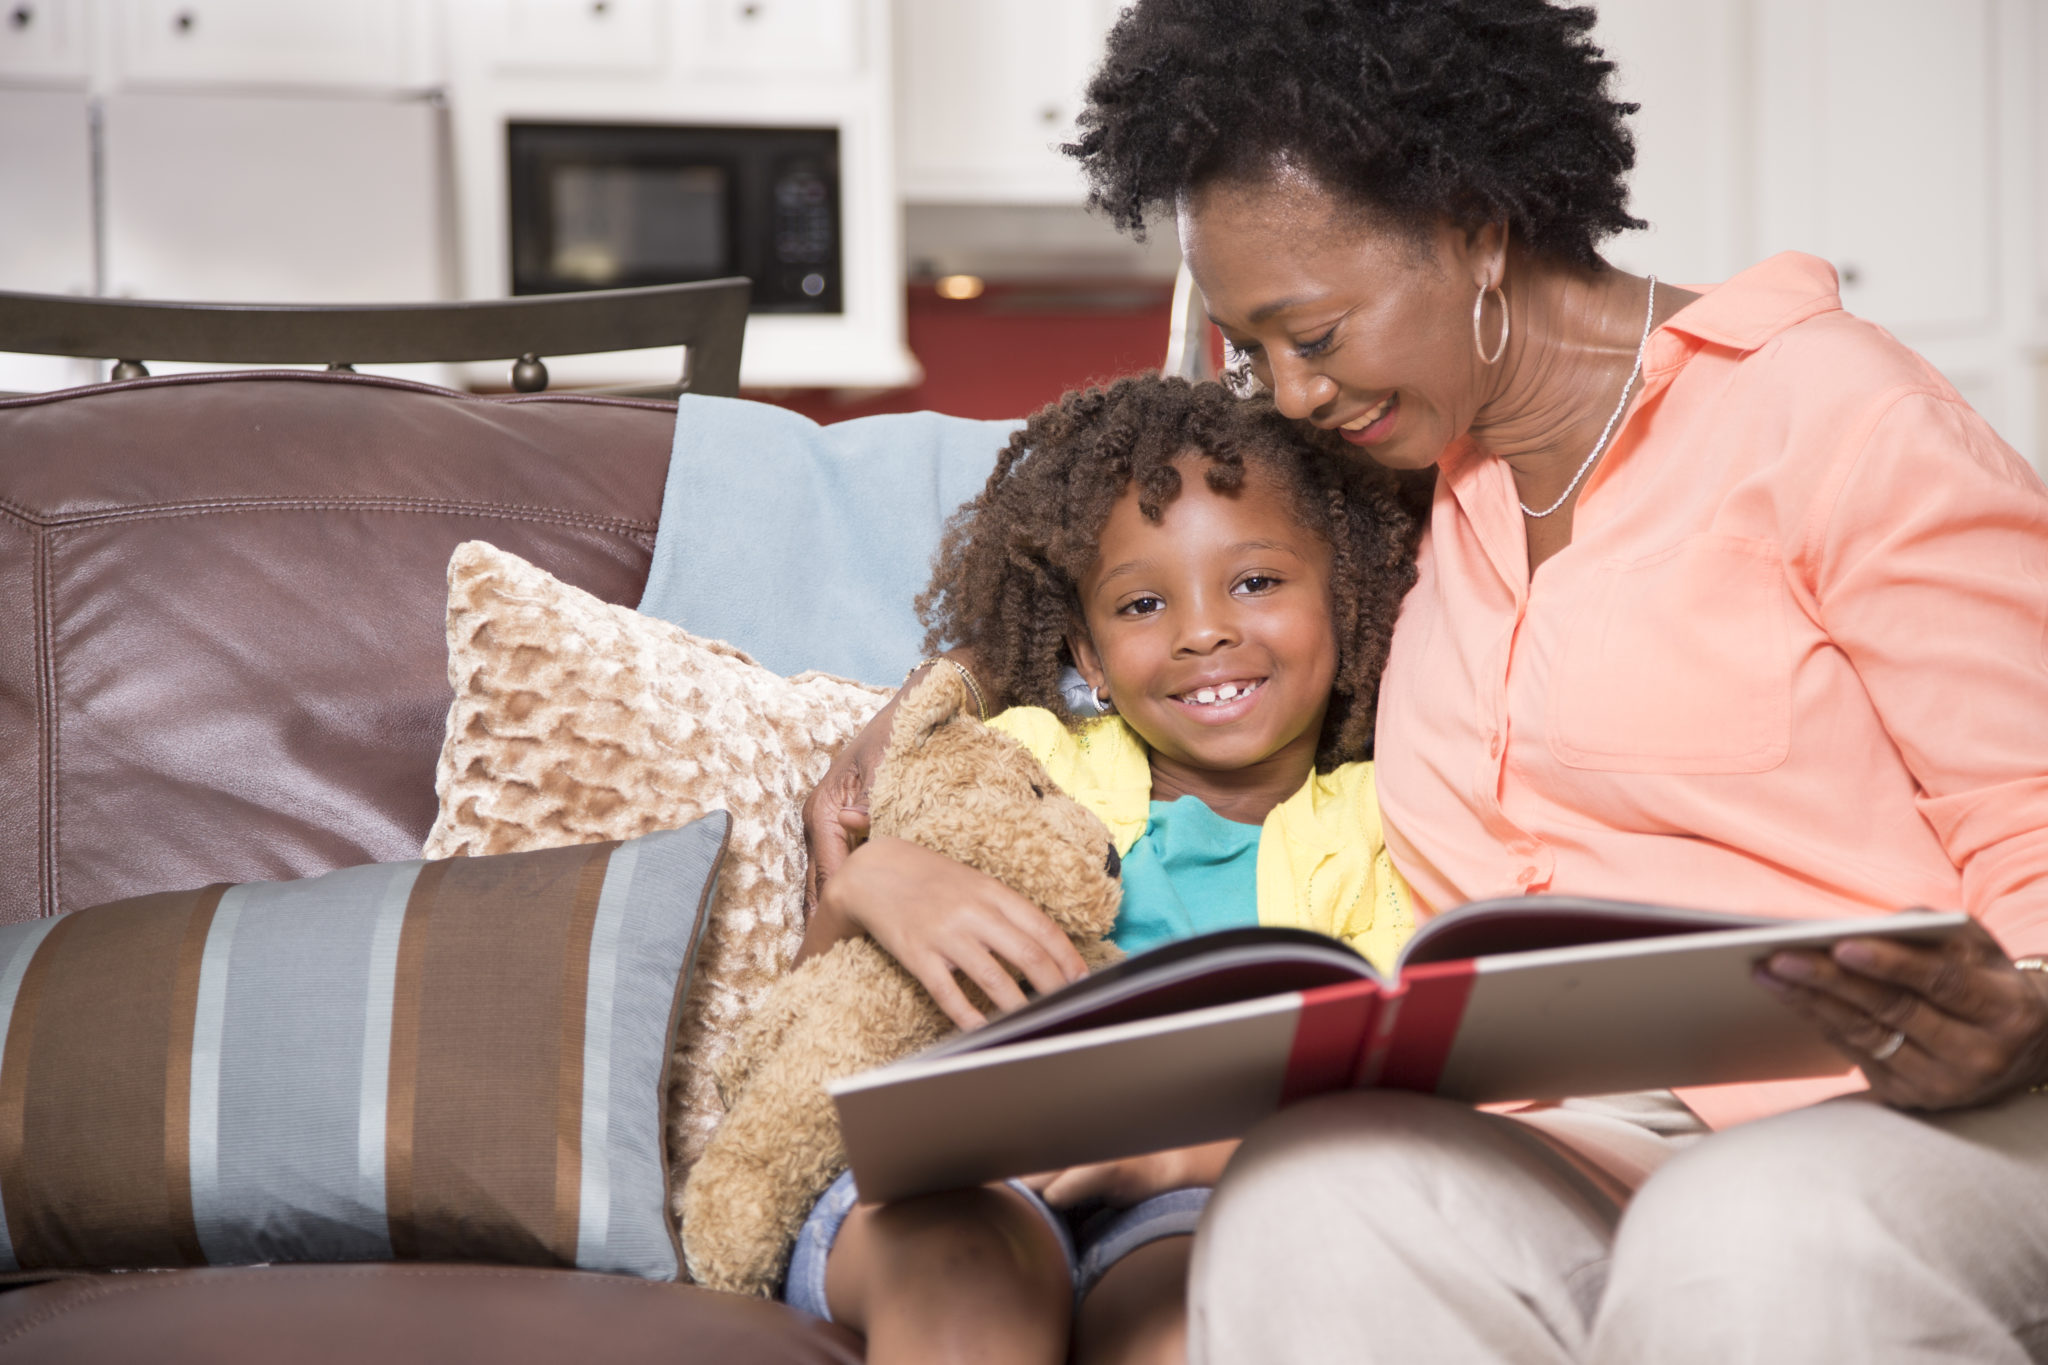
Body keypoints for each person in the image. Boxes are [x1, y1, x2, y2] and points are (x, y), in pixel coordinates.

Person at [807, 2, 2048, 1360]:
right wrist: (921, 710)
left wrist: (2019, 1013)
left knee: (1746, 1237)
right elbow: (1129, 549)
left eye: (1317, 333)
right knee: (1314, 1199)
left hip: (1924, 1105)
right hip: (1590, 1125)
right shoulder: (1412, 478)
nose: (1286, 391)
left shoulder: (1840, 420)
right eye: (1249, 348)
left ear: (1474, 227)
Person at [785, 374, 1422, 1364]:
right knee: (971, 1264)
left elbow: (1388, 1103)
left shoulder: (1388, 822)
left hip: (1189, 1192)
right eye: (1140, 603)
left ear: (1341, 601)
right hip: (958, 1180)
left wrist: (1156, 1160)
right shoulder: (1018, 760)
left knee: (1186, 1307)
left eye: (1253, 582)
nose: (1201, 632)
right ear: (1086, 650)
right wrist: (867, 883)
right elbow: (820, 1017)